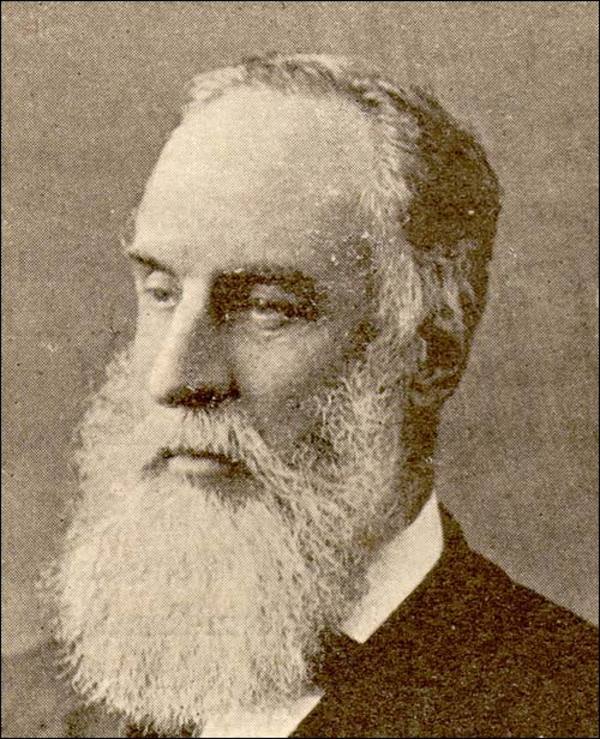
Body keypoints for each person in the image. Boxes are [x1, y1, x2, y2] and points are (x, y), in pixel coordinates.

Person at [2, 54, 597, 738]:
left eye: (267, 307)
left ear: (429, 355)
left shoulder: (571, 707)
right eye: (162, 292)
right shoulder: (18, 707)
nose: (172, 377)